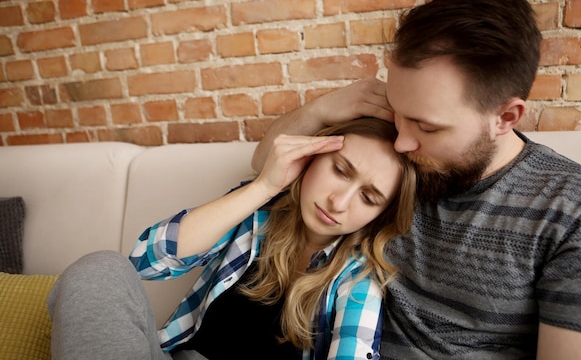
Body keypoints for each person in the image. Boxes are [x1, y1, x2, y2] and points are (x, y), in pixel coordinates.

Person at [252, 0, 581, 359]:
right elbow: (265, 166)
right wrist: (319, 110)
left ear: (505, 117)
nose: (402, 142)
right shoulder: (393, 160)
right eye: (398, 112)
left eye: (427, 127)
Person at [47, 117, 417, 360]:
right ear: (311, 157)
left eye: (368, 198)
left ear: (379, 215)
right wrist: (264, 186)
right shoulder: (255, 217)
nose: (339, 203)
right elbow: (147, 261)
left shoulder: (358, 281)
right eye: (339, 170)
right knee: (99, 269)